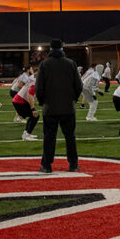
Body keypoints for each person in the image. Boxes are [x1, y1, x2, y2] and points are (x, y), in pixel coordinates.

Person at [35, 38, 83, 173]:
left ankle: (47, 165)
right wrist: (73, 99)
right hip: (68, 107)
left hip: (50, 108)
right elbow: (79, 85)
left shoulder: (45, 64)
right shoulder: (71, 63)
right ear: (62, 48)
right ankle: (73, 164)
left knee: (49, 138)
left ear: (50, 49)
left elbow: (39, 88)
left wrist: (42, 102)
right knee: (70, 137)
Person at [11, 66, 40, 141]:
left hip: (19, 99)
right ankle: (26, 134)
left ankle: (26, 133)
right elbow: (30, 95)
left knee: (33, 116)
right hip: (20, 101)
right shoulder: (35, 81)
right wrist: (33, 107)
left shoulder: (32, 78)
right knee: (35, 115)